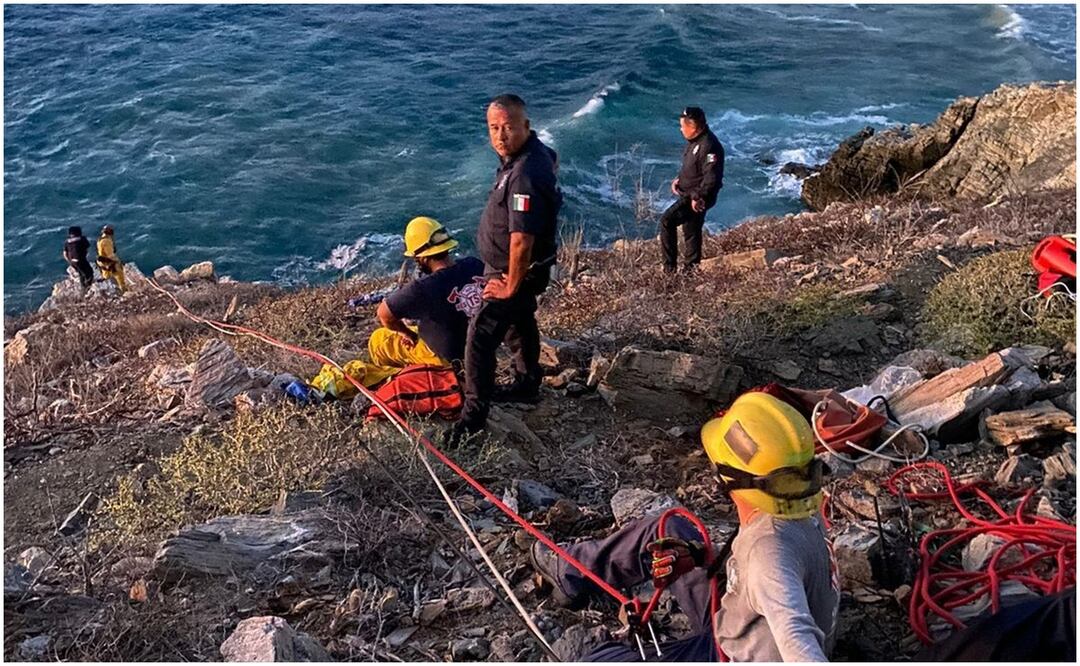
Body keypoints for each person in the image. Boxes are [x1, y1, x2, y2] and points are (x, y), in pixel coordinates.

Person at [529, 392, 840, 662]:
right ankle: (570, 571)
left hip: (729, 652)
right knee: (671, 529)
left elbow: (796, 636)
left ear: (729, 477)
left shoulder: (768, 553)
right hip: (741, 621)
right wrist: (702, 557)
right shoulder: (803, 508)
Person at [444, 93, 562, 445]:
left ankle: (473, 418)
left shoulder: (524, 173)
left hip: (515, 270)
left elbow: (521, 238)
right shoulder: (529, 157)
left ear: (525, 126)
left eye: (508, 127)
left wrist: (510, 282)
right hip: (521, 268)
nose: (499, 136)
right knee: (520, 322)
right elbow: (551, 160)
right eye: (493, 128)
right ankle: (528, 383)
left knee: (481, 336)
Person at [309, 217, 485, 397]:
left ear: (422, 257)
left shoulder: (424, 287)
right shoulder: (474, 265)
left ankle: (396, 379)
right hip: (480, 352)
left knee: (380, 340)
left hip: (446, 359)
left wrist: (407, 334)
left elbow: (384, 314)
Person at [660, 106, 725, 273]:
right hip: (690, 193)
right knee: (691, 229)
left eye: (683, 126)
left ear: (693, 127)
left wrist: (699, 196)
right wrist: (680, 180)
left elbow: (711, 177)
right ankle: (691, 270)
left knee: (667, 221)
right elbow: (693, 168)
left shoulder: (709, 146)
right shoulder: (695, 142)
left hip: (697, 197)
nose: (681, 129)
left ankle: (669, 270)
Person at [95, 224, 127, 293]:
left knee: (106, 276)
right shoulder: (106, 241)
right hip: (109, 262)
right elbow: (110, 255)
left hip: (102, 262)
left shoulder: (100, 239)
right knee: (119, 276)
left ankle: (109, 289)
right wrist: (118, 262)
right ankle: (123, 291)